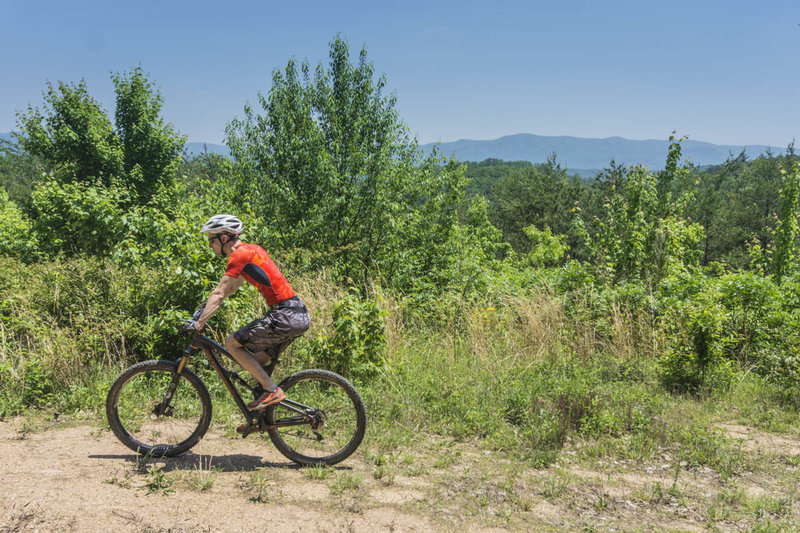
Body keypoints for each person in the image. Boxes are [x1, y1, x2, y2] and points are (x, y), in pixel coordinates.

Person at [183, 214, 310, 417]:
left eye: (211, 240)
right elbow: (230, 288)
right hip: (294, 313)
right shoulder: (252, 251)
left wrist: (198, 324)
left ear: (224, 238)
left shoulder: (238, 256)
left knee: (232, 344)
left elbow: (220, 293)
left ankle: (272, 390)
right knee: (254, 363)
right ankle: (259, 419)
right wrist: (203, 311)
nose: (210, 246)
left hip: (284, 315)